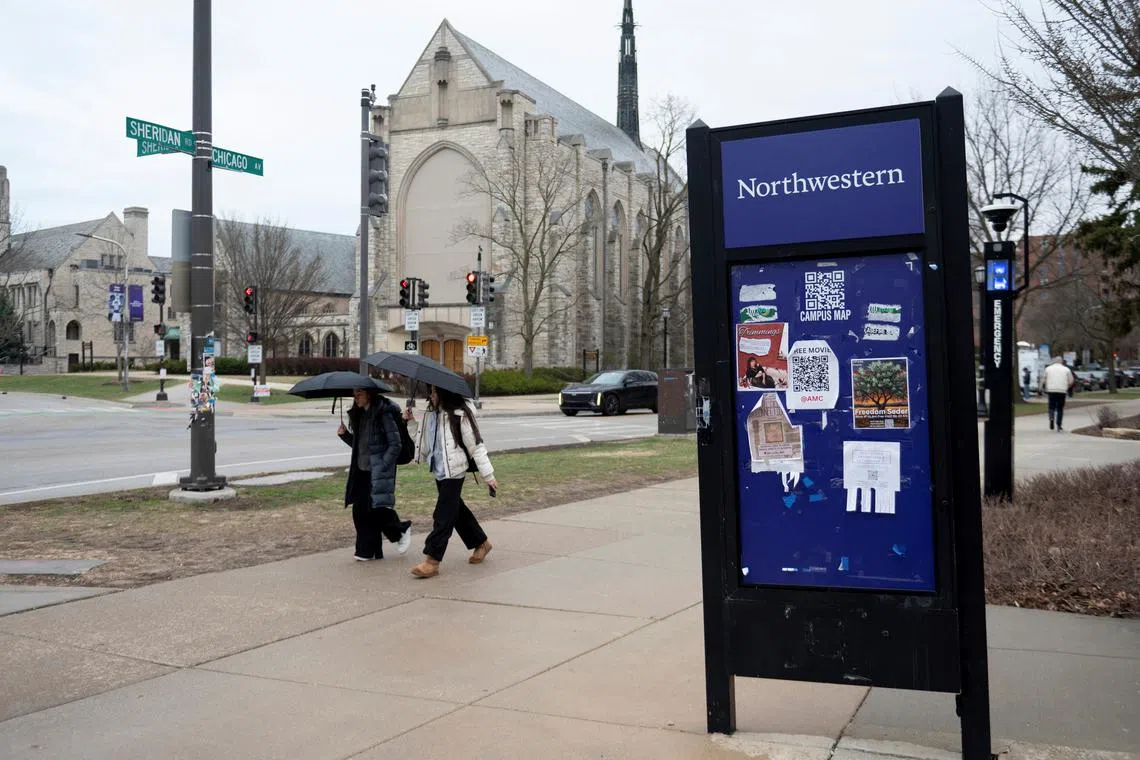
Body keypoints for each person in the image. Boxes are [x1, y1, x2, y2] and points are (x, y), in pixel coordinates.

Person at [404, 385, 497, 579]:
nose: (432, 395)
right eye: (431, 392)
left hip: (455, 470)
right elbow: (421, 442)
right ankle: (481, 543)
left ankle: (432, 561)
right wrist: (411, 423)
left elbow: (476, 445)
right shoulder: (431, 415)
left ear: (445, 393)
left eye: (435, 392)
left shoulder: (459, 414)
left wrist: (488, 475)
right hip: (438, 469)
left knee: (443, 514)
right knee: (457, 511)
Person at [337, 386, 412, 561]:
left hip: (378, 470)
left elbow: (396, 444)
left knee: (377, 509)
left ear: (369, 394)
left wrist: (383, 464)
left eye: (359, 394)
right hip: (362, 469)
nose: (355, 397)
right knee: (361, 511)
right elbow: (361, 446)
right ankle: (369, 551)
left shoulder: (383, 413)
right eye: (354, 394)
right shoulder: (361, 414)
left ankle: (401, 530)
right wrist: (345, 435)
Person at [1040, 357, 1075, 432]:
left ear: (1054, 361)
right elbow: (1071, 380)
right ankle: (1059, 425)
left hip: (1051, 390)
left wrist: (1041, 388)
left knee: (1051, 406)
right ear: (1061, 362)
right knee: (1060, 408)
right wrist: (1067, 386)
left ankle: (1051, 417)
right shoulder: (1066, 369)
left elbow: (1043, 379)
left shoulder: (1048, 369)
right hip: (1062, 390)